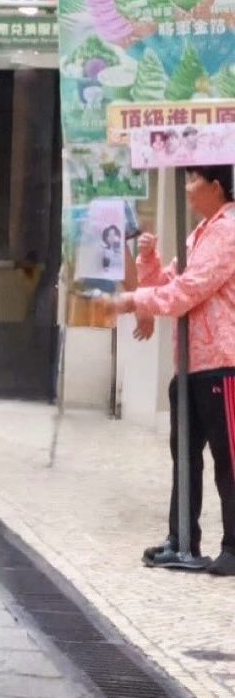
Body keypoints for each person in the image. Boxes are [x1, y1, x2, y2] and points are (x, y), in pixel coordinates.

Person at [109, 163, 235, 578]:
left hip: (222, 363)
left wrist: (134, 301)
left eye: (194, 180)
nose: (187, 188)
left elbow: (187, 291)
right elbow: (167, 281)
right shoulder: (200, 233)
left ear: (217, 187)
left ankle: (233, 546)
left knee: (229, 459)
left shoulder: (227, 231)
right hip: (191, 363)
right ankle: (181, 538)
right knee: (185, 457)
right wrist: (148, 258)